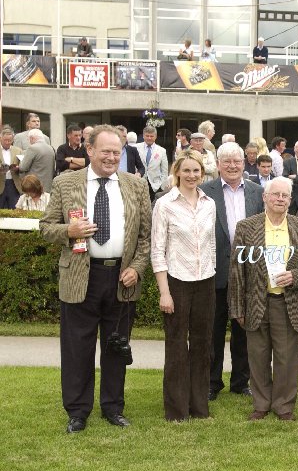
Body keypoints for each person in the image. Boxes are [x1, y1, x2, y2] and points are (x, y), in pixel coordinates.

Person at [39, 125, 152, 434]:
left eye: (117, 152)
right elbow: (46, 226)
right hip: (79, 277)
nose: (111, 157)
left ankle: (113, 407)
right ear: (89, 150)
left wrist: (138, 267)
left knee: (116, 347)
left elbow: (146, 238)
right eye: (105, 151)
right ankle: (77, 411)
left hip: (122, 279)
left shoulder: (136, 186)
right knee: (77, 348)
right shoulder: (65, 183)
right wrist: (69, 232)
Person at [229, 176, 298, 421]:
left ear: (290, 200)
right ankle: (261, 404)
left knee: (286, 357)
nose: (280, 199)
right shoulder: (246, 227)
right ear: (265, 197)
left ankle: (283, 406)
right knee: (257, 356)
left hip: (287, 302)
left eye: (285, 196)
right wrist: (237, 306)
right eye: (276, 194)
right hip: (256, 301)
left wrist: (295, 276)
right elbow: (237, 271)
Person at [151, 150, 216, 421]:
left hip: (205, 281)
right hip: (176, 281)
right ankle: (177, 410)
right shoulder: (165, 204)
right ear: (177, 172)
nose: (191, 176)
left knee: (203, 345)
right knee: (177, 346)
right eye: (186, 170)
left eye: (196, 171)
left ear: (203, 173)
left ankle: (199, 407)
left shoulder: (209, 203)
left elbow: (211, 244)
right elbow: (157, 250)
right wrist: (164, 292)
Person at [201, 142, 265, 401]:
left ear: (244, 163)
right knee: (213, 331)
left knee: (244, 332)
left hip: (248, 274)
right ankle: (211, 382)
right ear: (218, 165)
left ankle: (241, 381)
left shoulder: (257, 191)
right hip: (215, 272)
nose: (232, 165)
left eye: (236, 161)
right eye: (226, 161)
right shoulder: (205, 191)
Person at [136, 126, 169, 201]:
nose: (149, 138)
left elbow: (164, 170)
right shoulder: (136, 148)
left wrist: (162, 186)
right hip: (139, 184)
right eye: (147, 136)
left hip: (155, 186)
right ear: (143, 136)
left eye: (151, 136)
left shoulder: (162, 151)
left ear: (155, 137)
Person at [0, 127, 24, 209]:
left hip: (14, 184)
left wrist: (18, 168)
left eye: (9, 140)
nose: (7, 142)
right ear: (1, 138)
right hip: (0, 182)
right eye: (5, 140)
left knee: (15, 209)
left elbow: (23, 166)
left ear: (13, 139)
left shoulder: (18, 150)